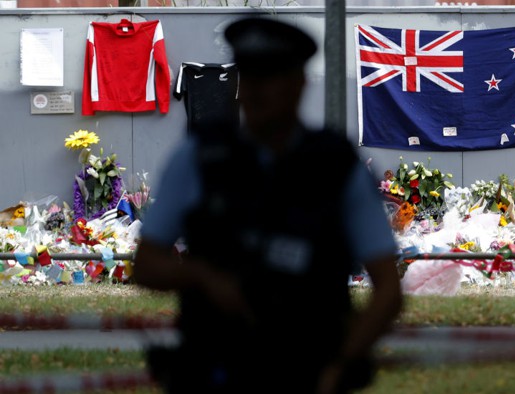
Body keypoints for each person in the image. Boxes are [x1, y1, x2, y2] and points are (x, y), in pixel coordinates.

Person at [133, 17, 403, 394]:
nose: (256, 91)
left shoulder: (336, 165)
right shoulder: (201, 158)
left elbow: (388, 290)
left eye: (271, 77)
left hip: (308, 371)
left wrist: (340, 364)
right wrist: (203, 277)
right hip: (216, 368)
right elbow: (145, 264)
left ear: (298, 85)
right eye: (249, 77)